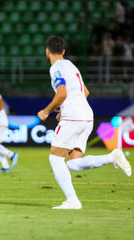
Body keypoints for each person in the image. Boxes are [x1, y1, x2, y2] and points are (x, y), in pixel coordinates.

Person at [38, 36, 132, 210]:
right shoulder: (72, 66)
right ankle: (111, 157)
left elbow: (62, 94)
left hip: (74, 116)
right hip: (87, 115)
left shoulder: (56, 68)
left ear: (47, 51)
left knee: (55, 158)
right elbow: (86, 92)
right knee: (72, 162)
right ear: (64, 51)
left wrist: (47, 111)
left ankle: (72, 200)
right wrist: (64, 109)